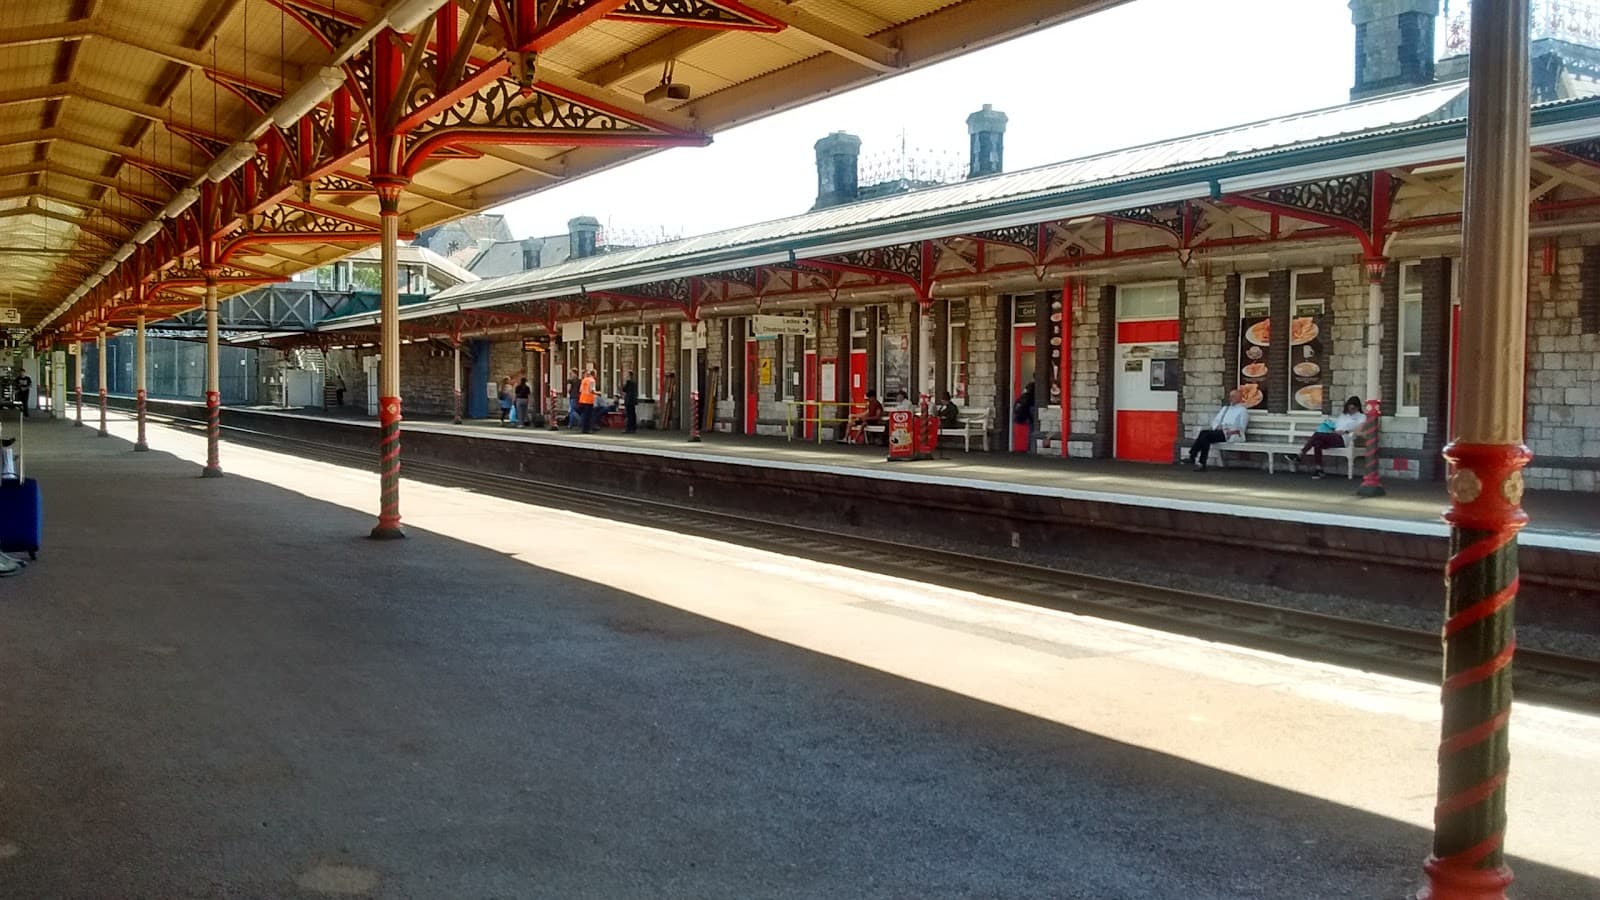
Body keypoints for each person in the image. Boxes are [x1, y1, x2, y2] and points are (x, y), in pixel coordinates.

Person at [1299, 395, 1365, 479]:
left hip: (1344, 438)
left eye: (1353, 409)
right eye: (1349, 408)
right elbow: (1336, 426)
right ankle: (1319, 469)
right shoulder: (1344, 415)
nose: (1351, 411)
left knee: (1318, 435)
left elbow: (1358, 431)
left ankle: (1301, 454)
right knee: (1317, 443)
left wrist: (1345, 431)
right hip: (1333, 436)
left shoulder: (1361, 417)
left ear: (1357, 407)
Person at [1188, 388, 1250, 471]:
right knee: (1205, 435)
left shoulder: (1243, 410)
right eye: (1230, 396)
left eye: (1234, 396)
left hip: (1231, 434)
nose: (1231, 398)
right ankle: (1200, 461)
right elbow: (1216, 420)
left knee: (1205, 435)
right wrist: (1217, 426)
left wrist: (1228, 428)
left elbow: (1242, 427)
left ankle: (1194, 456)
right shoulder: (1225, 408)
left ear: (1240, 398)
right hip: (1219, 431)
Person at [1013, 383, 1037, 450]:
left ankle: (1030, 447)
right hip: (1031, 409)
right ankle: (1031, 447)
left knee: (1031, 429)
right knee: (1032, 429)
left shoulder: (1029, 386)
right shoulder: (1035, 385)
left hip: (1026, 411)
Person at [578, 366, 598, 434]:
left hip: (582, 400)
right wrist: (599, 393)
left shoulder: (584, 380)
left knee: (584, 415)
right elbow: (592, 391)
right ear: (594, 374)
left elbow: (580, 390)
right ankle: (588, 429)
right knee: (589, 416)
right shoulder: (592, 381)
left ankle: (583, 429)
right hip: (589, 401)